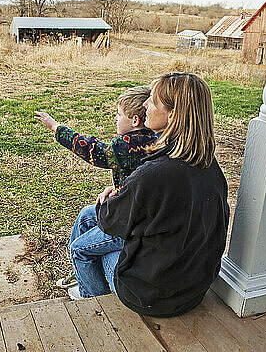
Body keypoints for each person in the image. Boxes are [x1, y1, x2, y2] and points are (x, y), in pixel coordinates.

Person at [67, 72, 229, 317]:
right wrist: (126, 194)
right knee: (87, 216)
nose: (145, 105)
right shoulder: (206, 161)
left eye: (152, 100)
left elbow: (111, 220)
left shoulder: (156, 174)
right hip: (193, 287)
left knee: (80, 248)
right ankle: (85, 283)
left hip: (154, 297)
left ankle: (96, 302)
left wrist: (116, 196)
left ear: (172, 114)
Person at [34, 86, 158, 290]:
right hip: (132, 212)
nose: (115, 119)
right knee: (86, 215)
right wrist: (119, 188)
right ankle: (80, 273)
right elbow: (141, 181)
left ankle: (91, 296)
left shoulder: (127, 146)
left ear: (135, 120)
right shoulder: (154, 140)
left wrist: (56, 128)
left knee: (78, 249)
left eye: (119, 115)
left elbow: (93, 151)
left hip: (131, 224)